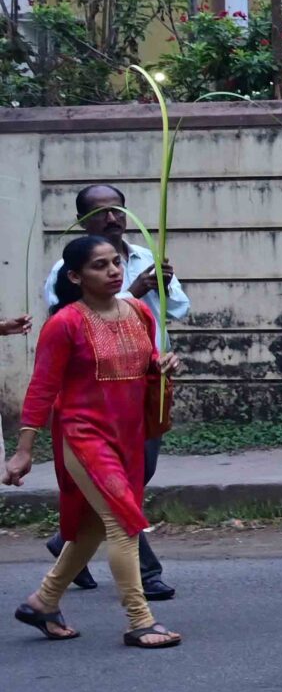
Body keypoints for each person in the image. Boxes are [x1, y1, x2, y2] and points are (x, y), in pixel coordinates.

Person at [7, 236, 182, 648]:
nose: (113, 271)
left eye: (115, 262)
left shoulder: (139, 312)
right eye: (99, 266)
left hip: (129, 435)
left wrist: (162, 366)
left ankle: (43, 601)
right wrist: (23, 450)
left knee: (92, 527)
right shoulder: (64, 323)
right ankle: (140, 620)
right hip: (84, 435)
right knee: (123, 521)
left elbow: (145, 366)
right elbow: (42, 388)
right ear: (75, 277)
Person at [39, 182, 182, 601]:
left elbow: (178, 308)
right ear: (82, 222)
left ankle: (62, 555)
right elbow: (68, 319)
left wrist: (163, 285)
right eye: (100, 212)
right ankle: (145, 583)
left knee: (138, 475)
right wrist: (134, 291)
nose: (112, 218)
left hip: (146, 387)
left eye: (118, 209)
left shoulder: (146, 258)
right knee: (120, 494)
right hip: (94, 403)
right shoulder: (67, 269)